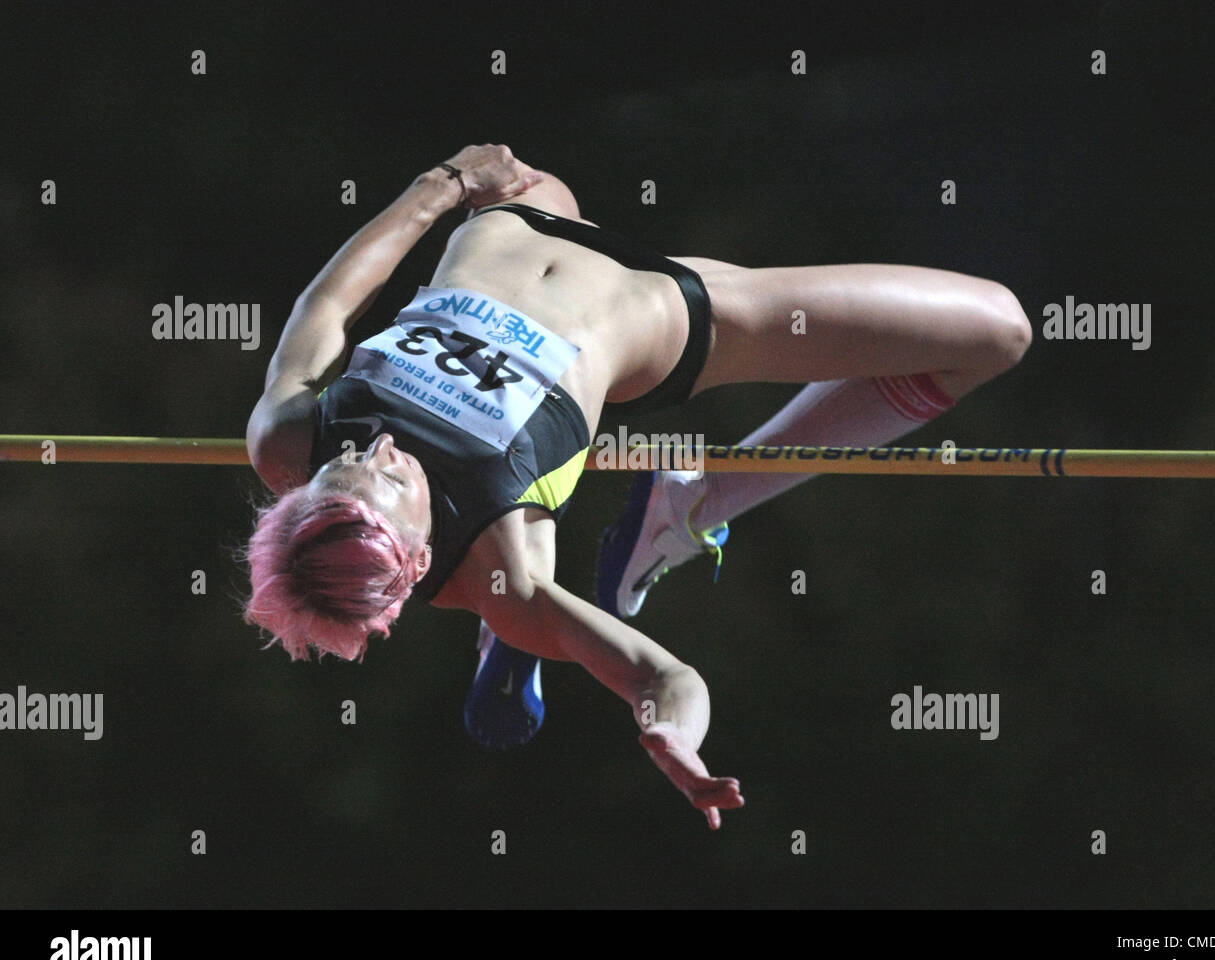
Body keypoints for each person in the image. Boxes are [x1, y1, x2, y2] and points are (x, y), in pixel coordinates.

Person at [243, 144, 1031, 829]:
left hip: (524, 220)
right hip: (667, 311)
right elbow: (665, 678)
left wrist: (441, 185)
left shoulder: (288, 443)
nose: (379, 444)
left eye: (342, 468)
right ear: (414, 559)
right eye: (388, 479)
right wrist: (672, 736)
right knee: (997, 330)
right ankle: (701, 501)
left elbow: (329, 303)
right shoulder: (500, 572)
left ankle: (516, 646)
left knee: (528, 181)